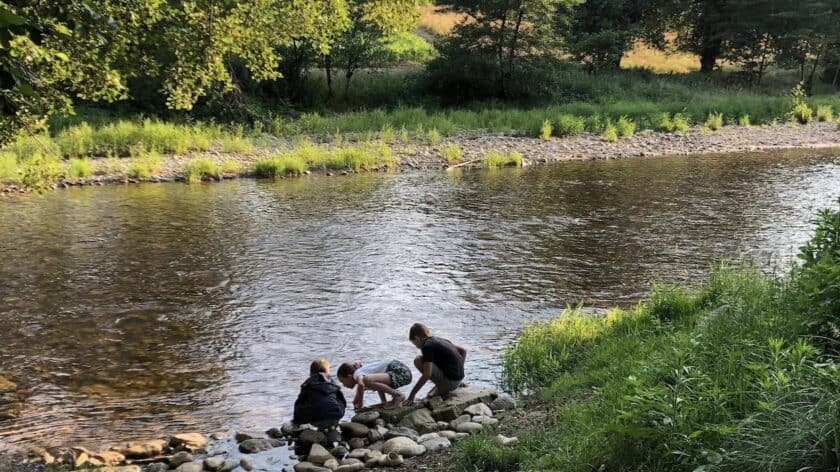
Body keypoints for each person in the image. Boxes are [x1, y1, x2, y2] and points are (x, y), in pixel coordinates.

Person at [404, 323, 467, 405]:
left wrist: (412, 395)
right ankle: (447, 384)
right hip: (459, 379)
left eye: (414, 343)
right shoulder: (441, 340)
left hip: (451, 384)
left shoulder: (427, 346)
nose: (416, 346)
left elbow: (427, 374)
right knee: (429, 361)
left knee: (418, 360)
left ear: (417, 338)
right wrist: (458, 375)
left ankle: (443, 386)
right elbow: (463, 351)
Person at [336, 360, 412, 410]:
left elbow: (361, 385)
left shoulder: (357, 374)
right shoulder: (362, 372)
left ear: (349, 376)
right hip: (403, 373)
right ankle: (387, 401)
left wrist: (360, 403)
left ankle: (398, 395)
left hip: (400, 372)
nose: (343, 385)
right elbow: (378, 386)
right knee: (370, 381)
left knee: (366, 381)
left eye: (342, 381)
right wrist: (384, 403)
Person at [292, 358, 346, 428]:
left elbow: (299, 403)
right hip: (335, 417)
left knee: (304, 403)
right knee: (335, 401)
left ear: (311, 373)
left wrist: (296, 421)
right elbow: (342, 401)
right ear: (327, 372)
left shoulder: (308, 383)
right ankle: (332, 428)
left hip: (317, 421)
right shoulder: (332, 382)